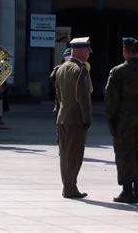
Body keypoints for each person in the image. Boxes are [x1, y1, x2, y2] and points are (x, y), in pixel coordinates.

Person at [105, 37, 138, 203]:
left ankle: (127, 191)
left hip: (124, 118)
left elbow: (110, 98)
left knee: (124, 153)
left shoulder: (118, 71)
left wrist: (111, 118)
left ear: (125, 51)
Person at [55, 37, 92, 199]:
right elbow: (83, 97)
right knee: (75, 154)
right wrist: (87, 118)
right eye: (87, 51)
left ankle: (67, 186)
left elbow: (58, 95)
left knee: (65, 154)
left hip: (62, 117)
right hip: (76, 119)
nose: (89, 55)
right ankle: (70, 188)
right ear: (81, 51)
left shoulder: (61, 68)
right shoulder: (80, 69)